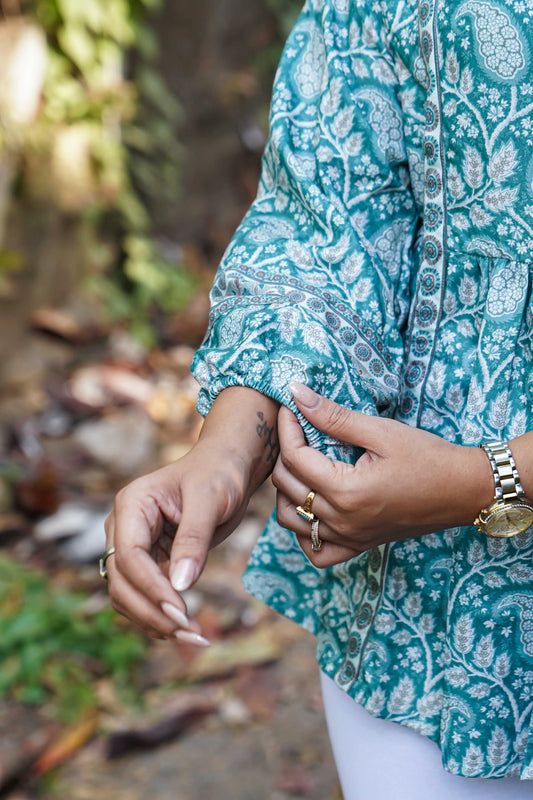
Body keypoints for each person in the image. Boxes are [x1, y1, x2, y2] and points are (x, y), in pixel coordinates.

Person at [102, 0, 533, 795]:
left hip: (425, 510)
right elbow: (326, 219)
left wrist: (486, 479)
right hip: (423, 607)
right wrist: (226, 454)